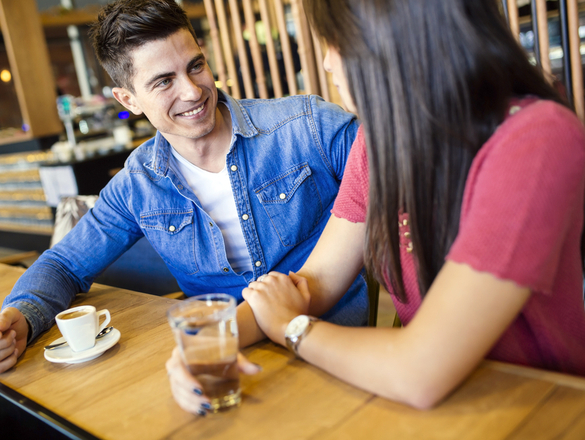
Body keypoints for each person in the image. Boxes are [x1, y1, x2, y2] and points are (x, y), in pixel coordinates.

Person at [167, 0, 585, 414]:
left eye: (333, 42)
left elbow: (421, 370)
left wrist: (293, 329)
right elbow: (314, 283)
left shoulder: (536, 139)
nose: (328, 64)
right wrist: (208, 345)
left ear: (385, 40)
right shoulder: (380, 141)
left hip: (535, 405)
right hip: (427, 405)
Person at [0, 0, 368, 375]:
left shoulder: (307, 126)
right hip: (221, 358)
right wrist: (21, 316)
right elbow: (64, 263)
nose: (192, 91)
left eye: (195, 66)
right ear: (128, 98)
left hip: (334, 345)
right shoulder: (137, 185)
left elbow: (398, 176)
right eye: (163, 82)